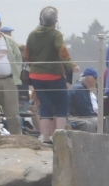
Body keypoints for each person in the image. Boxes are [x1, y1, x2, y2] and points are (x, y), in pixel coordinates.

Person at [22, 7, 73, 144]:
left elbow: (27, 54)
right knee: (62, 105)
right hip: (54, 75)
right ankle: (59, 137)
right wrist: (71, 65)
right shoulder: (55, 34)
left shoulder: (32, 35)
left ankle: (45, 137)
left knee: (45, 105)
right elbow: (62, 50)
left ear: (40, 19)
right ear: (55, 21)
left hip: (36, 76)